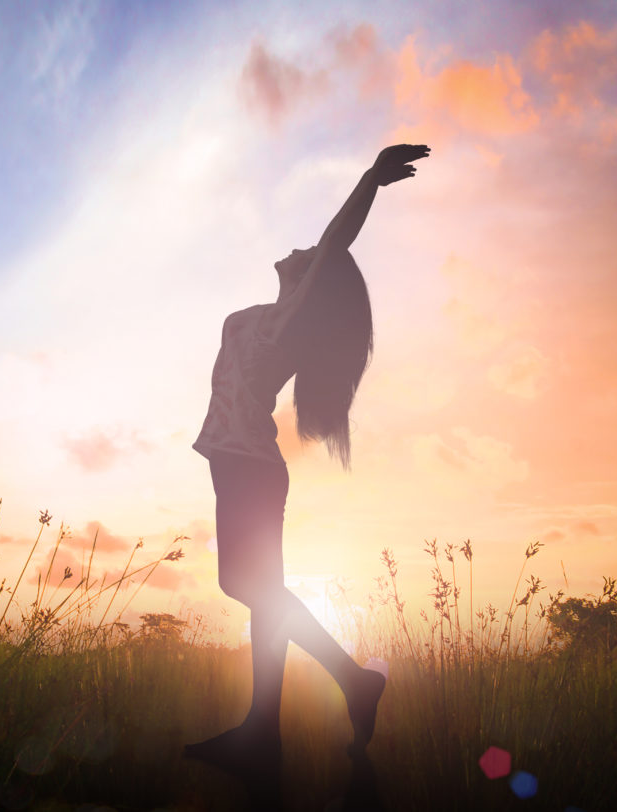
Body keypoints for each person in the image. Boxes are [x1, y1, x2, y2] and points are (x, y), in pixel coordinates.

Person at [184, 144, 430, 784]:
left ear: (313, 280)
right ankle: (263, 736)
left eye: (313, 260)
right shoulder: (270, 317)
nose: (298, 252)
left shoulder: (291, 318)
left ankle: (350, 680)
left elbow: (333, 240)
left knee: (248, 587)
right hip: (239, 463)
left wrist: (371, 179)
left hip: (250, 468)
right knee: (258, 598)